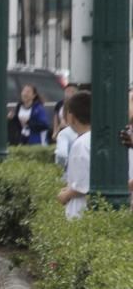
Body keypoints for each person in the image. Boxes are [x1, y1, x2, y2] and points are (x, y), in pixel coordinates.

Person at [56, 90, 91, 220]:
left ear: (71, 116)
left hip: (79, 211)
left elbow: (82, 186)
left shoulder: (80, 144)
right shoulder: (96, 140)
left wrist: (64, 195)